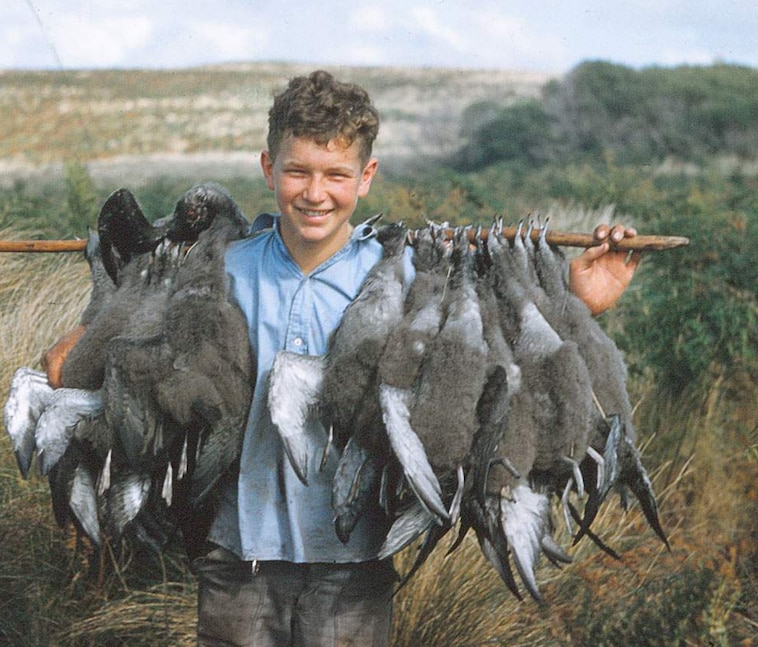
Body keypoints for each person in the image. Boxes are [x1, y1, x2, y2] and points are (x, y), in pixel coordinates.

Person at [42, 70, 641, 647]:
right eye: (298, 171)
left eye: (335, 173)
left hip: (353, 562)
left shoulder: (410, 277)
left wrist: (578, 299)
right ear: (268, 168)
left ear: (366, 176)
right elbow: (131, 336)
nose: (315, 191)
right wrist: (81, 345)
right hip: (236, 554)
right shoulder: (222, 268)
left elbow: (495, 350)